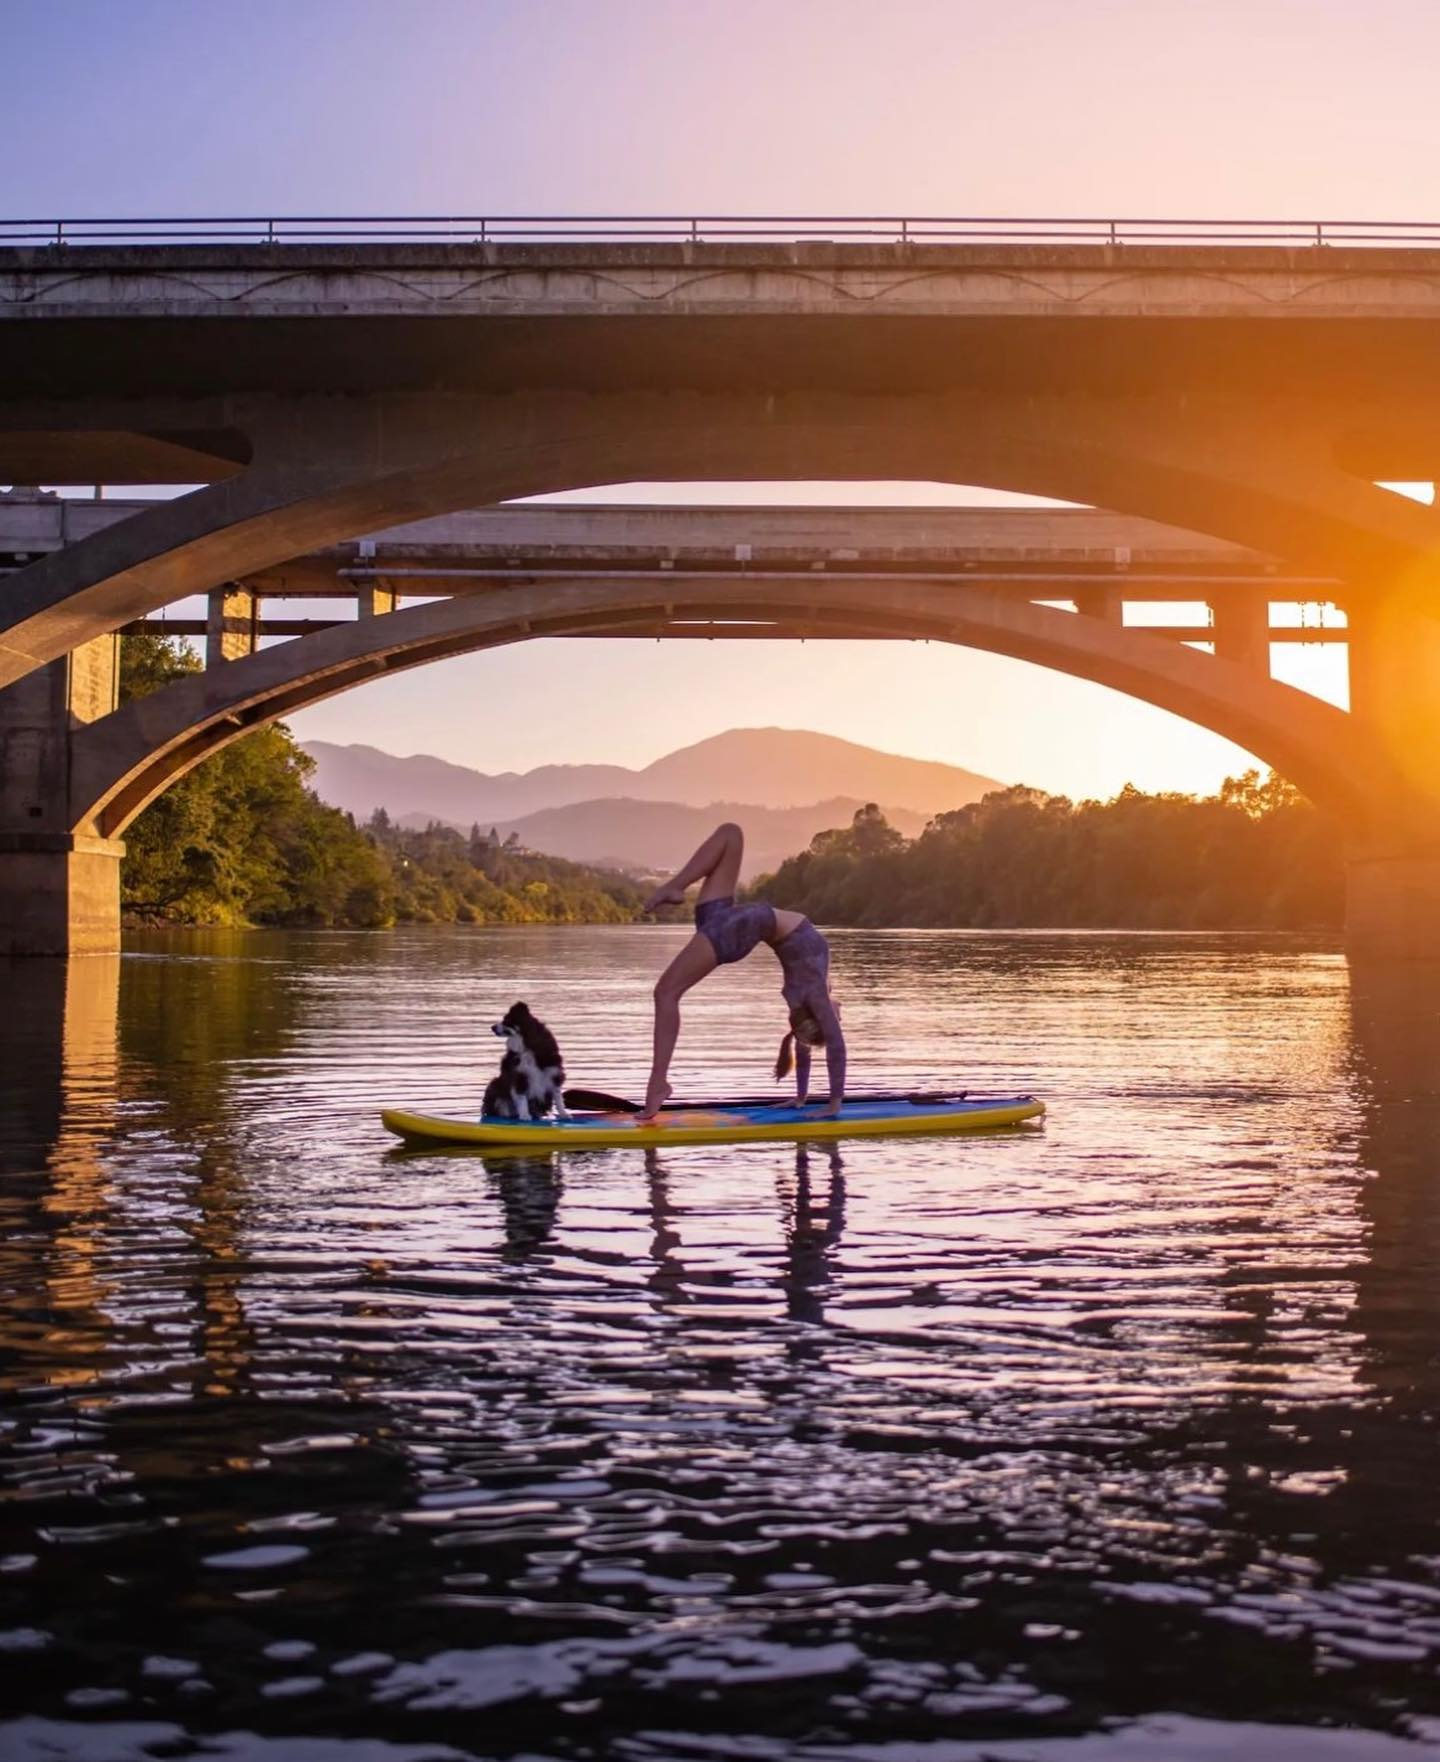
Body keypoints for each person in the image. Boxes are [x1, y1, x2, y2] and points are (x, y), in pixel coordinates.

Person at [638, 822, 846, 1122]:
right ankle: (676, 886)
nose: (840, 1016)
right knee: (731, 834)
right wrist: (800, 1099)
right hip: (733, 921)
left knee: (666, 993)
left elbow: (834, 1044)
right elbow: (803, 1042)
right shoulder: (808, 997)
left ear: (819, 1018)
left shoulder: (813, 994)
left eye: (834, 1020)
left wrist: (834, 1104)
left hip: (742, 925)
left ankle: (658, 1084)